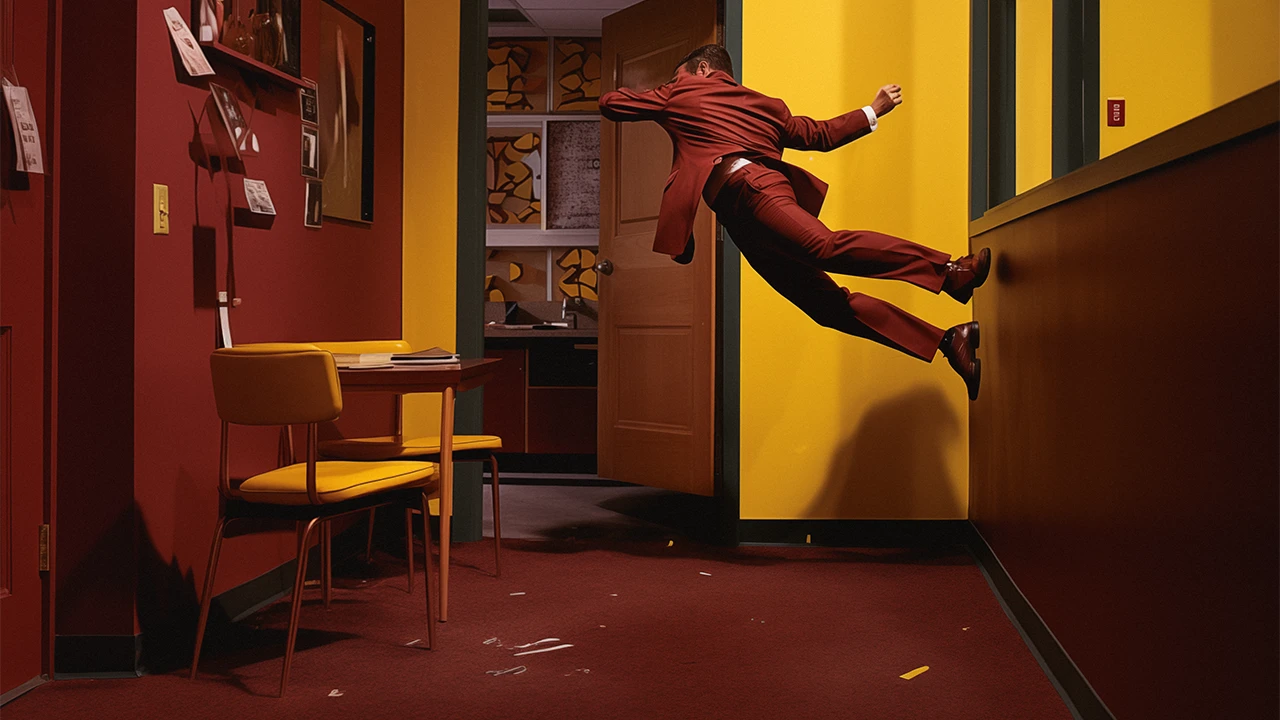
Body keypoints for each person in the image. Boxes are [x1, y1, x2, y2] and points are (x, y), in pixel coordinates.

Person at [599, 45, 990, 400]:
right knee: (827, 307)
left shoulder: (683, 92)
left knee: (825, 247)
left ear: (702, 69)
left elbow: (611, 103)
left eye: (677, 77)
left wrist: (663, 94)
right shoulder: (765, 106)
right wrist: (872, 110)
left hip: (753, 189)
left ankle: (950, 270)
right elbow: (818, 133)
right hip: (742, 219)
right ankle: (948, 341)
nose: (673, 85)